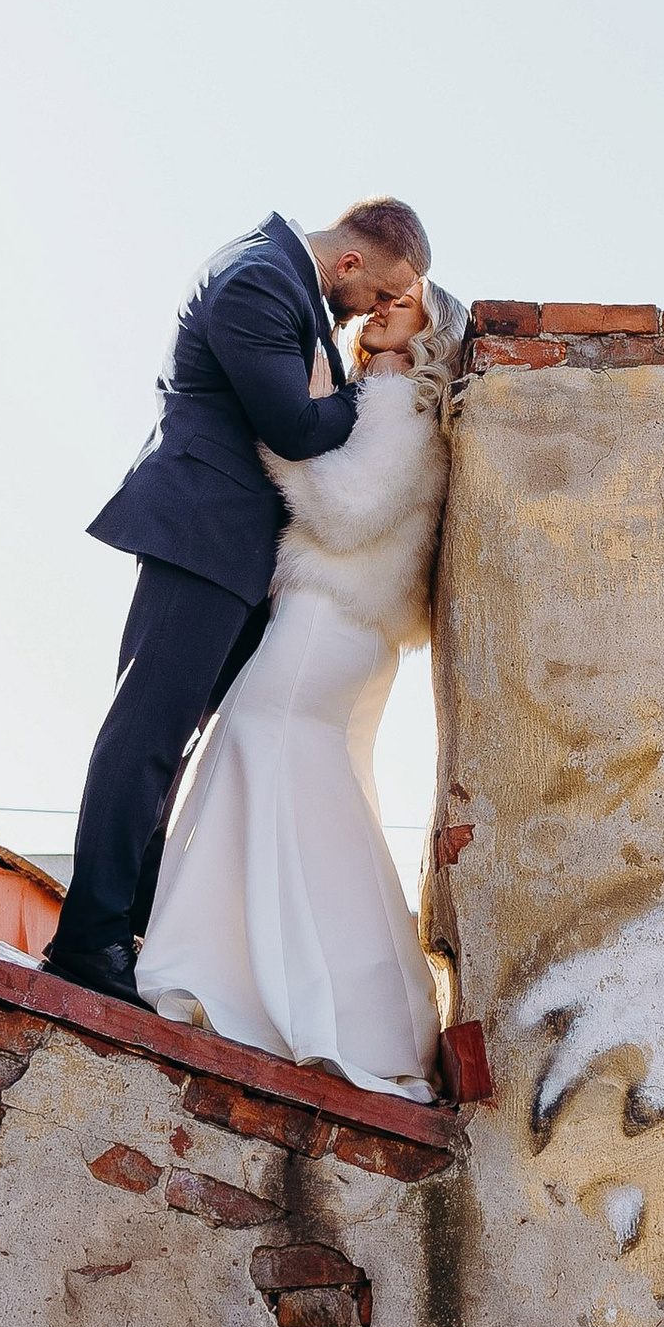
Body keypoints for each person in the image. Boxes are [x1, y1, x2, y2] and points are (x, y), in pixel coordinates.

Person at [45, 202, 431, 1006]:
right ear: (352, 265)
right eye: (378, 293)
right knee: (145, 737)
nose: (370, 314)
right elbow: (292, 427)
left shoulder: (290, 285)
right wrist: (372, 391)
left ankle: (130, 925)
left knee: (171, 745)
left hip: (233, 552)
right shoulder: (259, 279)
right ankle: (87, 939)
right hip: (203, 536)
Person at [135, 281, 466, 1092]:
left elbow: (348, 511)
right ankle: (344, 1003)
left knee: (255, 754)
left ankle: (242, 981)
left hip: (326, 618)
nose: (384, 308)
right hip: (349, 630)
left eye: (407, 302)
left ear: (434, 328)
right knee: (312, 793)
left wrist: (287, 433)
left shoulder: (396, 399)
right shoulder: (398, 402)